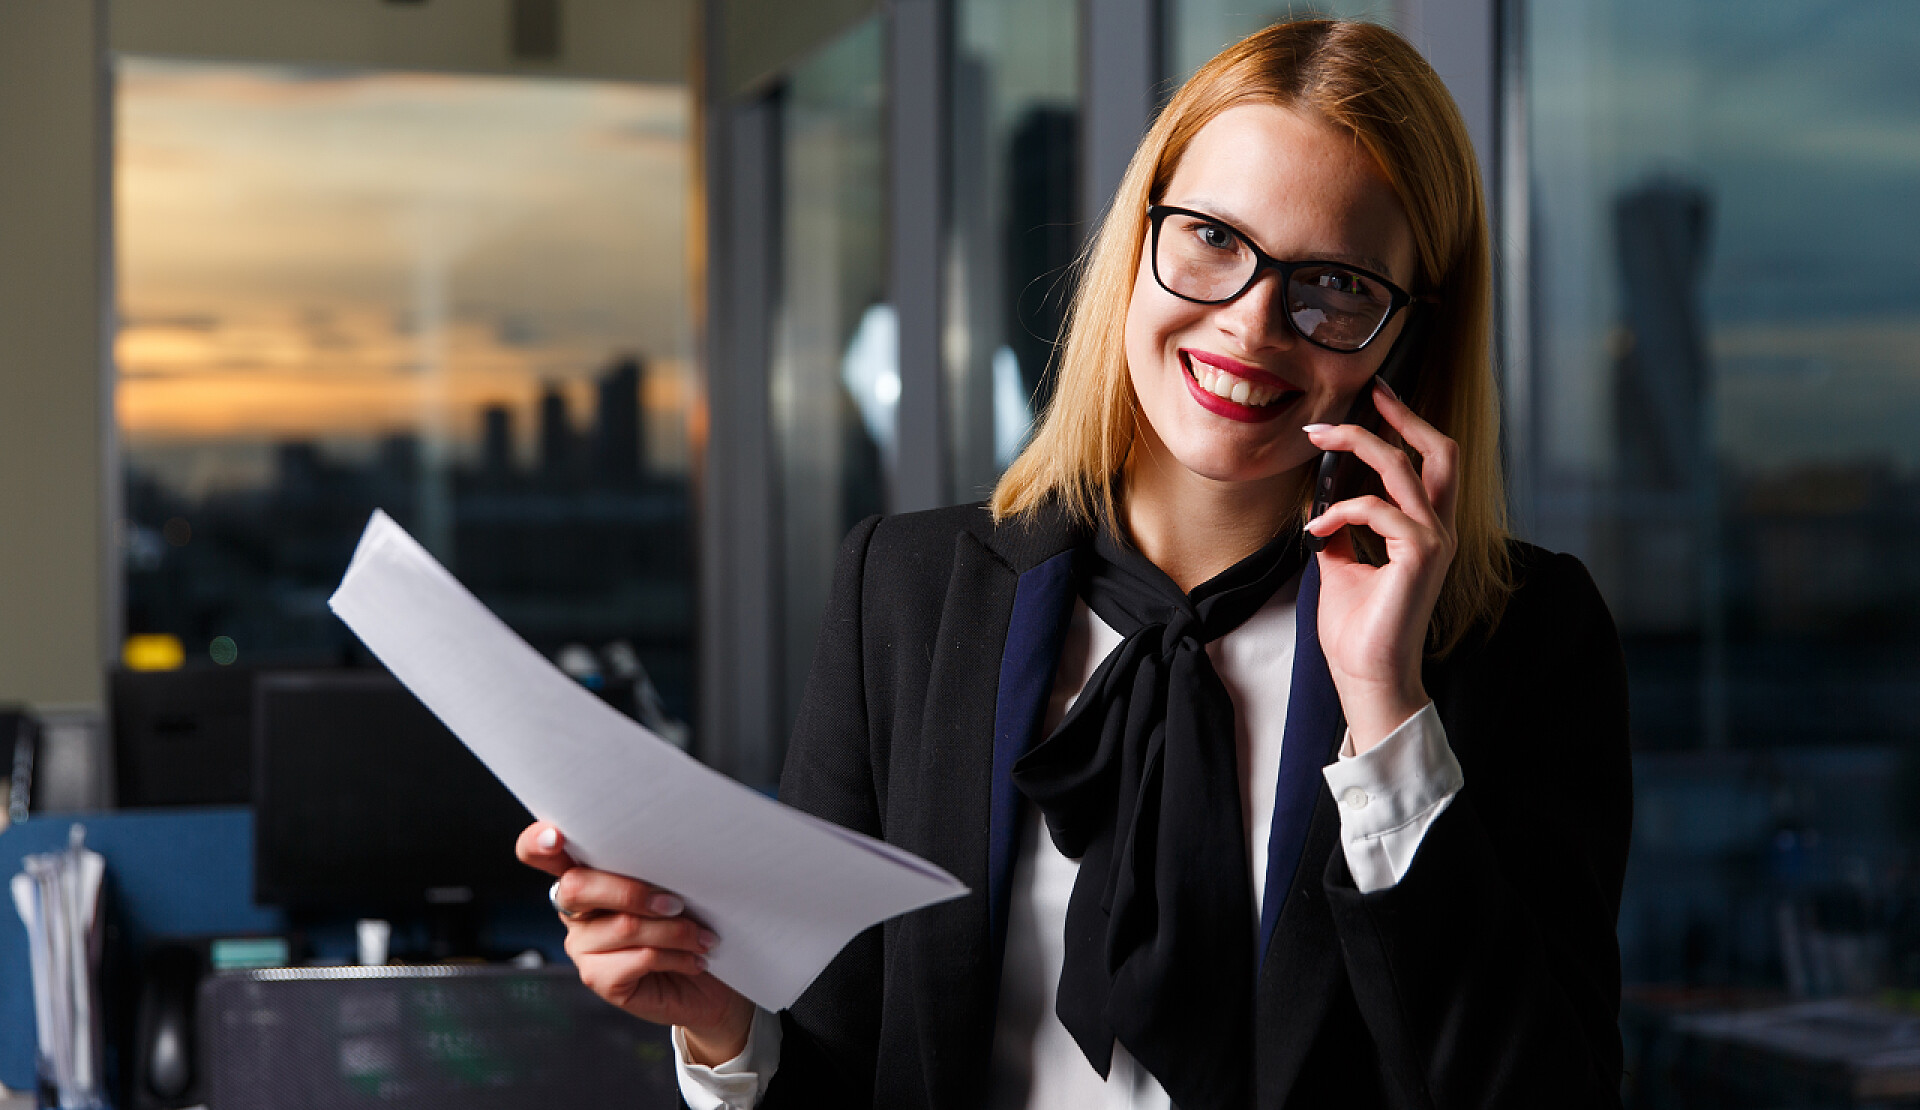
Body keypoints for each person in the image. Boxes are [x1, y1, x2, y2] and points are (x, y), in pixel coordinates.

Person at [518, 18, 1630, 1109]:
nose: (1252, 326)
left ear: (1408, 335)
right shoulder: (905, 591)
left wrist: (1387, 710)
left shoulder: (1520, 636)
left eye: (1335, 284)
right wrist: (722, 1024)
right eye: (1212, 237)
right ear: (1138, 241)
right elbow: (845, 1065)